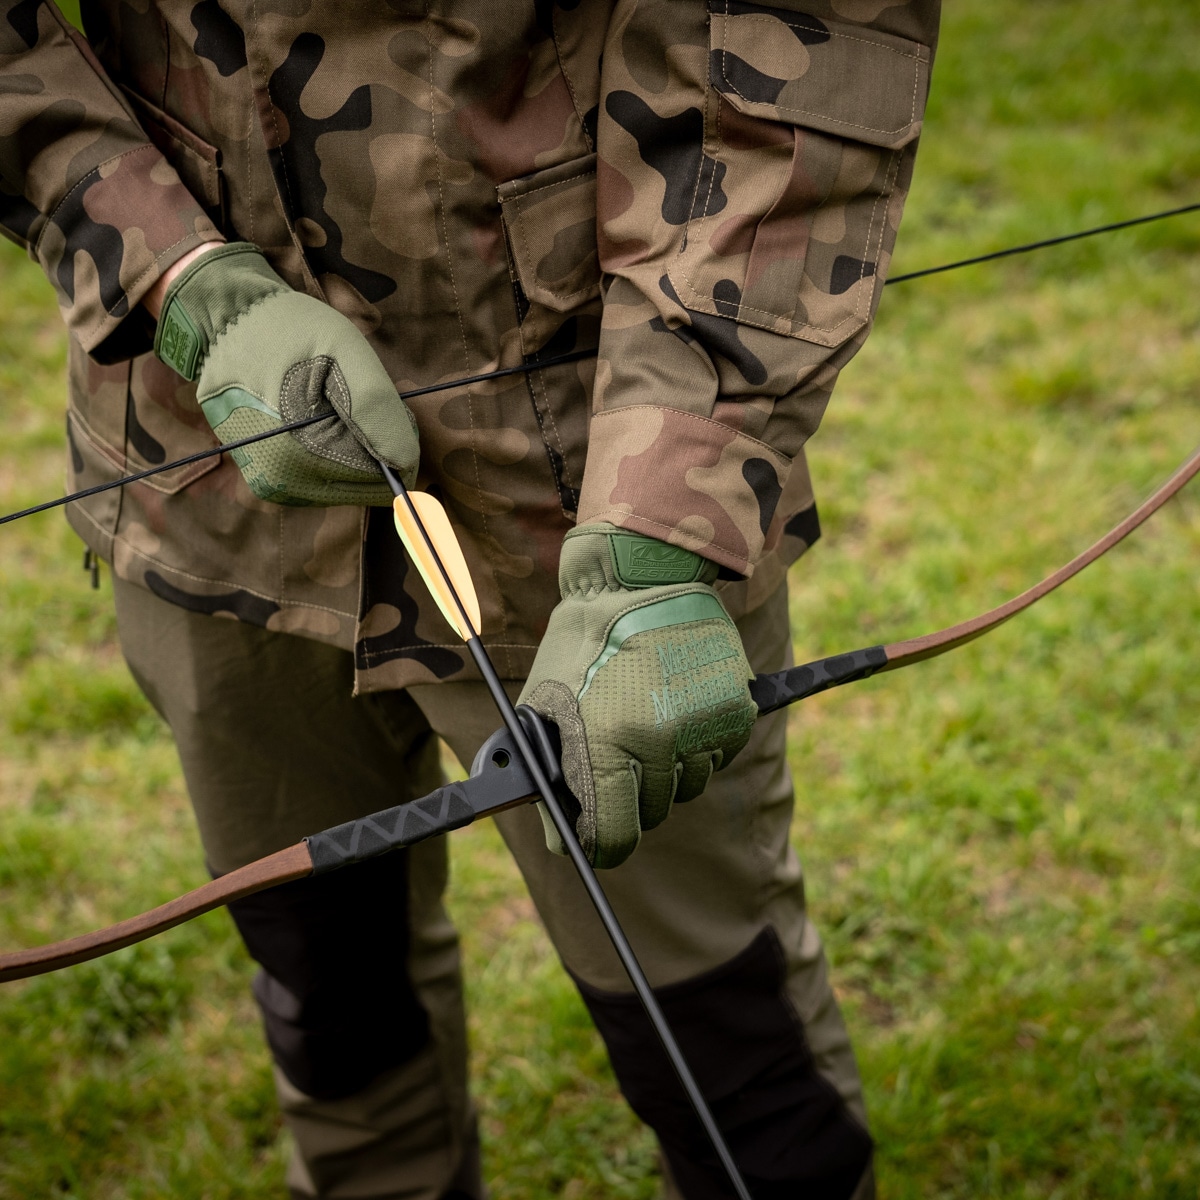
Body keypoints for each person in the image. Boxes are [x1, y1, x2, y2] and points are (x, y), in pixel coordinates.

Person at [1, 1, 940, 1195]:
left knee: (720, 1040)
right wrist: (179, 277)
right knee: (331, 1001)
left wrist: (661, 532)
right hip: (212, 471)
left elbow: (796, 64)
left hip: (586, 493)